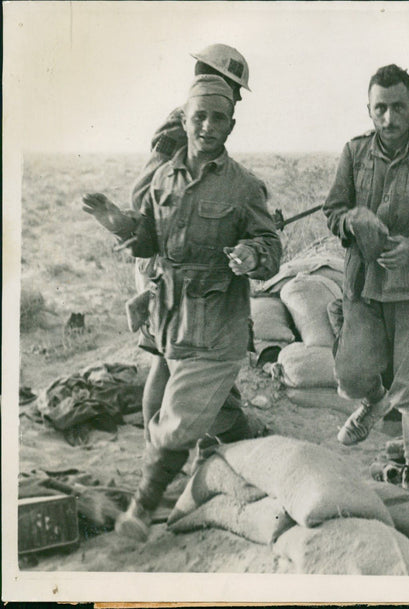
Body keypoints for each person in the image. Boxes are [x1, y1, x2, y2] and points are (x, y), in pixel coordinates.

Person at [81, 75, 282, 541]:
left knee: (177, 423)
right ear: (185, 119)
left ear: (231, 126)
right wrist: (116, 221)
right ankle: (242, 454)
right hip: (169, 317)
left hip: (215, 325)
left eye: (218, 119)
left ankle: (141, 508)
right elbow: (149, 235)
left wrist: (251, 255)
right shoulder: (163, 178)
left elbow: (269, 245)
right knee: (158, 407)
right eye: (199, 117)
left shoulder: (244, 187)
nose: (208, 127)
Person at [323, 64, 409, 491]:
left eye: (397, 107)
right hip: (363, 283)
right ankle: (371, 403)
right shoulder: (353, 153)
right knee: (350, 373)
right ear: (368, 111)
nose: (389, 118)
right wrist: (352, 222)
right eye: (380, 108)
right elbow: (333, 211)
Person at [131, 44, 257, 451]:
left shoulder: (196, 116)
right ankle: (158, 450)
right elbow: (148, 196)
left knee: (181, 363)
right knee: (166, 361)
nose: (236, 97)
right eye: (233, 86)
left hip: (179, 262)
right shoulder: (180, 127)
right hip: (166, 262)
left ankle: (192, 439)